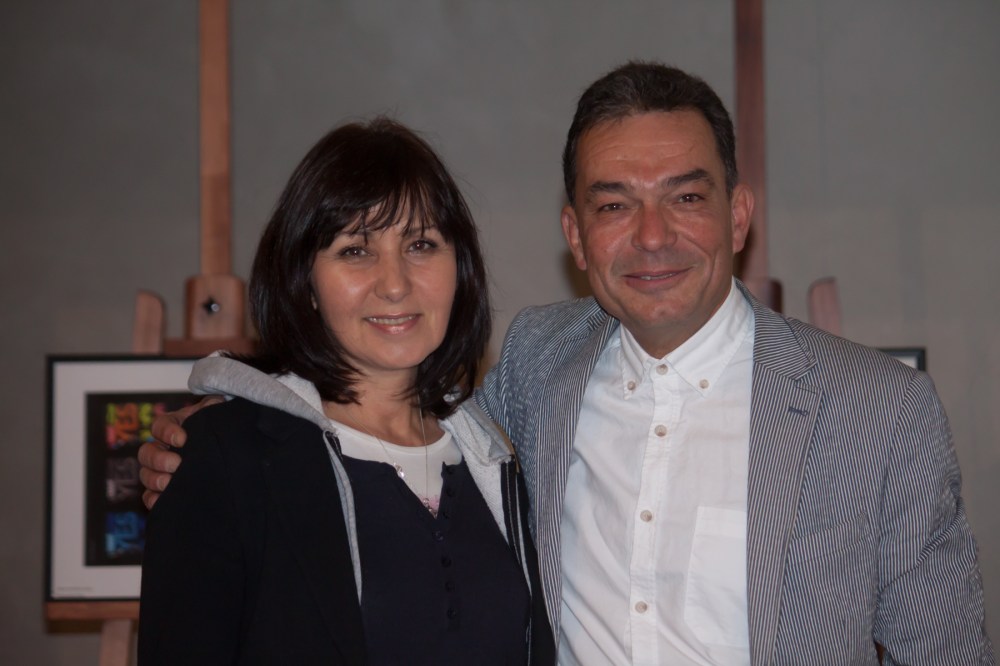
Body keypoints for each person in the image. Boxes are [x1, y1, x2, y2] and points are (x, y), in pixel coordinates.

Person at [140, 63, 993, 664]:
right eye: (614, 205)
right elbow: (363, 421)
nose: (652, 237)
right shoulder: (537, 367)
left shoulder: (880, 412)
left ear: (738, 216)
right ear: (575, 236)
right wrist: (226, 428)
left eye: (686, 198)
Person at [137, 117, 554, 665]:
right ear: (305, 281)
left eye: (421, 244)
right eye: (356, 250)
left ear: (460, 268)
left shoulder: (495, 461)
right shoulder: (228, 458)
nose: (395, 283)